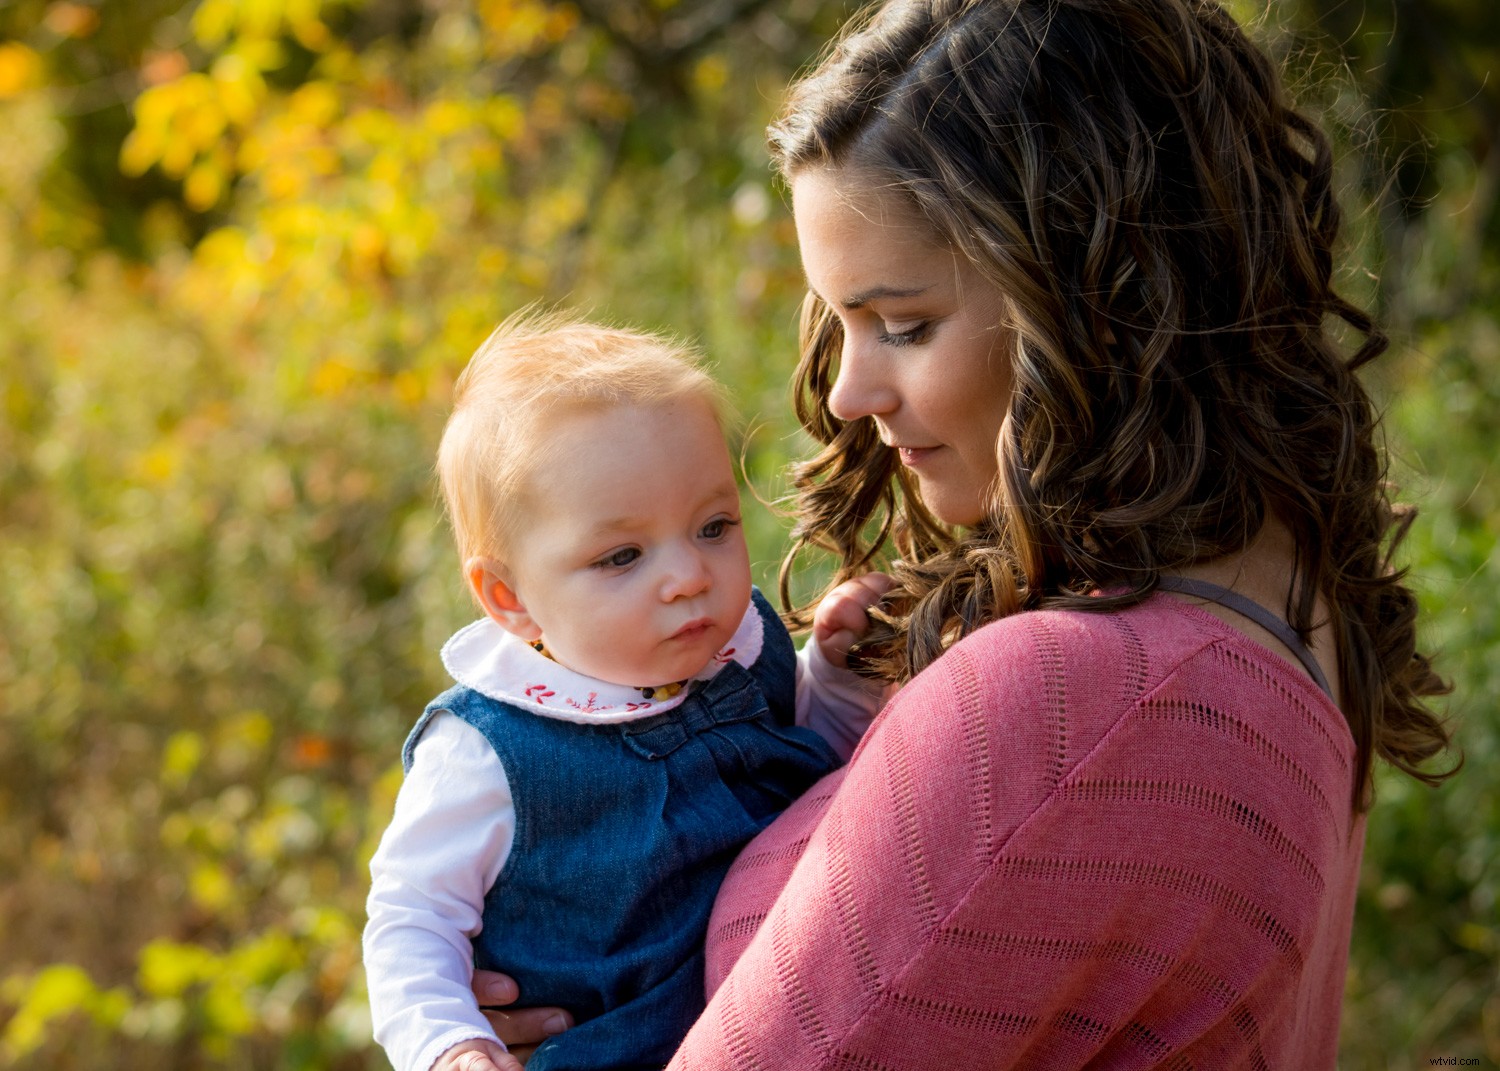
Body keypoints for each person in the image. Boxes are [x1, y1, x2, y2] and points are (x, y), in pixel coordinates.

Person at [471, 0, 1458, 1065]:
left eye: (904, 325)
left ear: (1100, 295)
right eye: (837, 324)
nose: (848, 393)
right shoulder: (1296, 617)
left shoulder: (1082, 699)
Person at [362, 316, 890, 1071]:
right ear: (510, 596)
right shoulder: (489, 752)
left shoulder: (741, 651)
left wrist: (839, 677)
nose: (688, 575)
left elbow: (806, 773)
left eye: (713, 526)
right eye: (622, 555)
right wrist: (451, 1044)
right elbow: (411, 920)